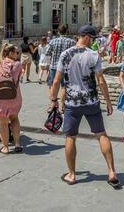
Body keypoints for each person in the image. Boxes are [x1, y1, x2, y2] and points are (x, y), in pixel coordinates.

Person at [50, 25, 120, 188]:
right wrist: (108, 102)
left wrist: (53, 100)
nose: (93, 41)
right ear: (87, 37)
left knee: (70, 137)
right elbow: (101, 81)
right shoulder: (93, 55)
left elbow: (56, 80)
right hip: (91, 102)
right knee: (102, 135)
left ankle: (72, 174)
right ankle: (111, 172)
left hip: (72, 103)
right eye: (93, 38)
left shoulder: (66, 55)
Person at [0, 44, 23, 154]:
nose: (17, 55)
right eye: (16, 53)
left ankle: (5, 147)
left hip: (0, 98)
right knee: (14, 119)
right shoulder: (18, 65)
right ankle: (17, 144)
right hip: (15, 96)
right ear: (10, 53)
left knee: (3, 122)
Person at [45, 24, 76, 89]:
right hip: (67, 67)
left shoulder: (53, 41)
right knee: (65, 86)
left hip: (54, 66)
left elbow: (47, 53)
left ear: (58, 32)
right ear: (66, 31)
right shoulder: (72, 42)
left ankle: (53, 99)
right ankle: (63, 99)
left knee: (53, 84)